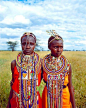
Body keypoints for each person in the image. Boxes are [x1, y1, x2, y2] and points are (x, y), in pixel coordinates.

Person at [7, 32, 42, 108]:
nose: (28, 47)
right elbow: (13, 84)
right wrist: (8, 104)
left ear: (35, 45)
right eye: (24, 44)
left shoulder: (40, 63)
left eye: (31, 44)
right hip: (17, 102)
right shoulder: (14, 63)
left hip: (35, 101)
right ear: (21, 45)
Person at [42, 30, 76, 108]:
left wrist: (74, 106)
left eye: (61, 47)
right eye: (55, 47)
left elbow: (70, 86)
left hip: (64, 96)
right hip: (48, 96)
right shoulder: (43, 63)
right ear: (49, 47)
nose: (59, 50)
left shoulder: (67, 64)